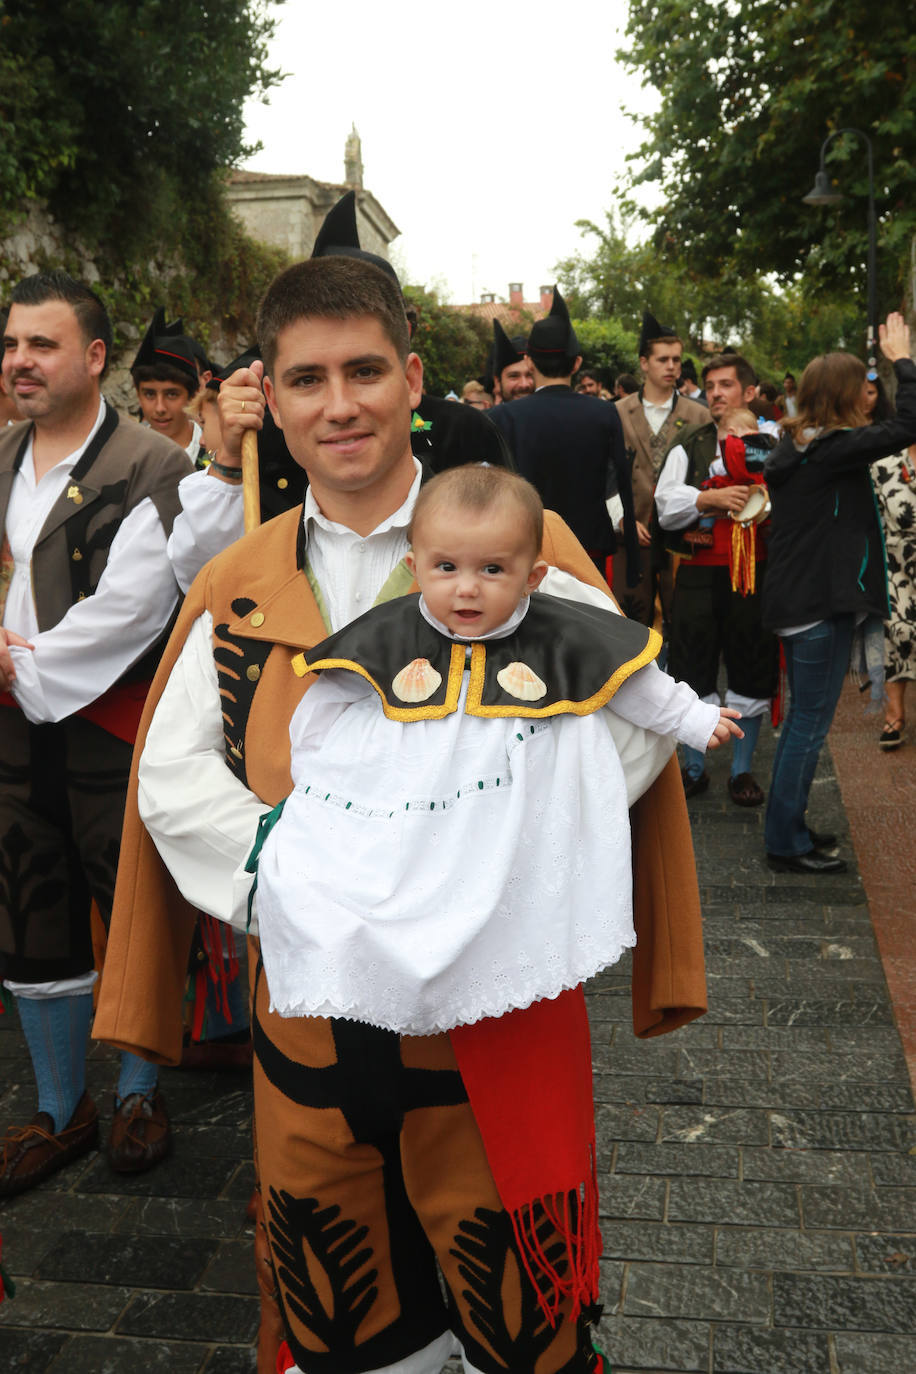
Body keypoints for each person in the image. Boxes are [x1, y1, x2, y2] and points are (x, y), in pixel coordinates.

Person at [96, 254, 713, 1374]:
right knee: (348, 1336)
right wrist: (297, 868)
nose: (341, 404)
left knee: (519, 1334)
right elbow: (175, 779)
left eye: (366, 370)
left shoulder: (521, 557)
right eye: (309, 378)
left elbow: (627, 725)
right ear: (271, 400)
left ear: (412, 379)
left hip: (491, 1002)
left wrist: (479, 834)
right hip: (308, 1010)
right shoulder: (237, 585)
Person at [0, 271, 192, 1195]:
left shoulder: (155, 467)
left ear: (95, 357)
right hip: (9, 735)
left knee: (130, 907)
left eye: (40, 344)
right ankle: (61, 1105)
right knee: (29, 910)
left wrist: (17, 667)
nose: (20, 362)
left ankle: (140, 1093)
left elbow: (132, 610)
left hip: (110, 727)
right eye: (10, 345)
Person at [763, 315, 916, 872]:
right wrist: (903, 358)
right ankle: (785, 840)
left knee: (804, 721)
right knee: (807, 725)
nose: (870, 399)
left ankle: (790, 826)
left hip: (803, 600)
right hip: (816, 605)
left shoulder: (803, 443)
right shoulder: (828, 448)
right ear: (842, 395)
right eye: (863, 389)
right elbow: (909, 425)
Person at [655, 353, 778, 804]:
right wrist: (712, 499)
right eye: (710, 386)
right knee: (691, 664)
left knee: (752, 662)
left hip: (755, 572)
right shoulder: (691, 442)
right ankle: (693, 765)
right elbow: (666, 505)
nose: (716, 394)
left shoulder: (773, 441)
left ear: (749, 391)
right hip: (699, 574)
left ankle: (742, 771)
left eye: (726, 385)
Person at [490, 286, 639, 578]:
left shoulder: (503, 416)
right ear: (577, 363)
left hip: (525, 551)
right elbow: (623, 484)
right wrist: (632, 561)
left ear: (529, 362)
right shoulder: (604, 412)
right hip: (589, 550)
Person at [613, 311, 708, 624]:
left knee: (684, 625)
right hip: (631, 536)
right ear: (644, 363)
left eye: (676, 360)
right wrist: (620, 517)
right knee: (631, 629)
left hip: (683, 541)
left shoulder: (698, 415)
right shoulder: (616, 413)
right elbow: (606, 471)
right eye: (663, 359)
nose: (671, 367)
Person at [862, 374, 916, 749]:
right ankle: (894, 716)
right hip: (896, 565)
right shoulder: (883, 463)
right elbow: (873, 521)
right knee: (898, 636)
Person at [131, 307, 206, 462]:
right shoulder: (126, 454)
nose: (160, 408)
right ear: (138, 394)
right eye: (149, 394)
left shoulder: (216, 454)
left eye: (172, 394)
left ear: (193, 395)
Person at [491, 321, 535, 403]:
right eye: (514, 376)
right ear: (497, 382)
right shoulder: (488, 416)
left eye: (530, 375)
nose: (524, 384)